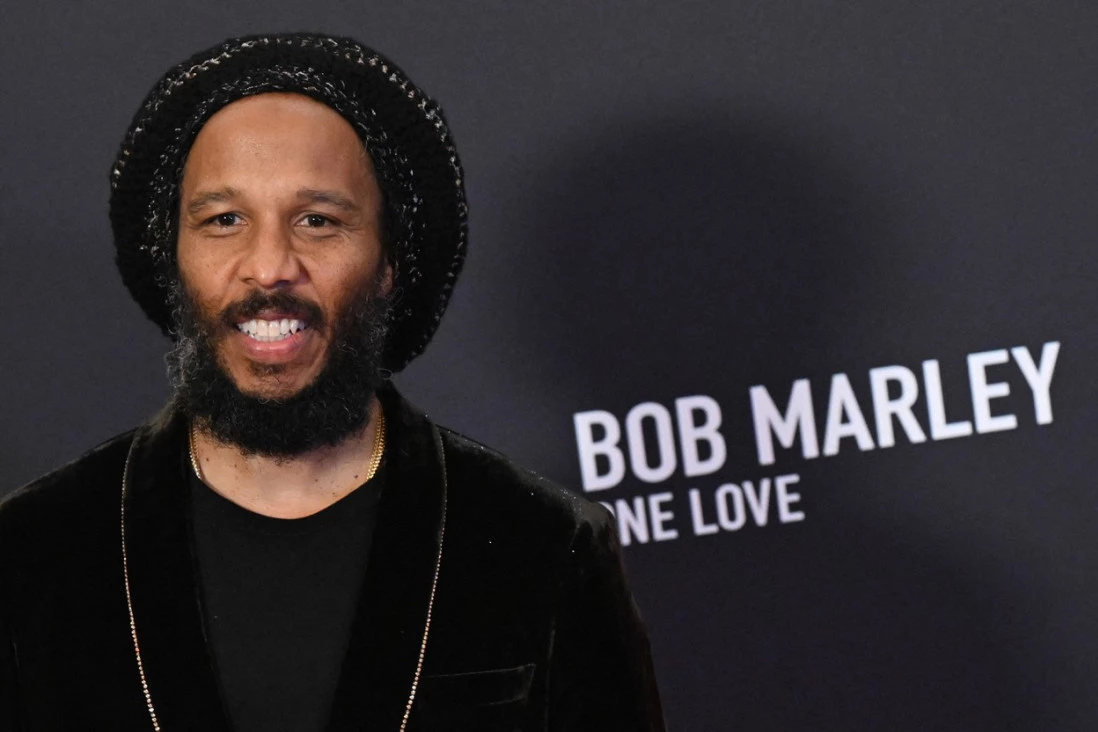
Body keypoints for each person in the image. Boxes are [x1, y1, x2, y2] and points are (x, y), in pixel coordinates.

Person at [0, 33, 665, 731]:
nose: (269, 266)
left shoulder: (543, 545)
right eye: (224, 221)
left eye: (317, 221)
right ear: (174, 260)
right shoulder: (33, 552)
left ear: (388, 264)